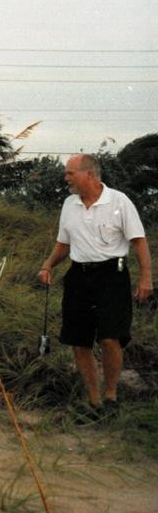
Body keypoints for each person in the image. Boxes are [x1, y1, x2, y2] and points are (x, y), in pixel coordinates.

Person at [38, 153, 152, 411]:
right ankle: (93, 401)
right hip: (79, 275)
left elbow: (139, 241)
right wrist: (48, 265)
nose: (66, 178)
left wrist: (146, 278)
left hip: (112, 276)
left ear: (89, 174)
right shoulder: (69, 204)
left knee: (111, 338)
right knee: (79, 340)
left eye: (70, 173)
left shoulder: (119, 201)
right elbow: (63, 243)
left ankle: (111, 396)